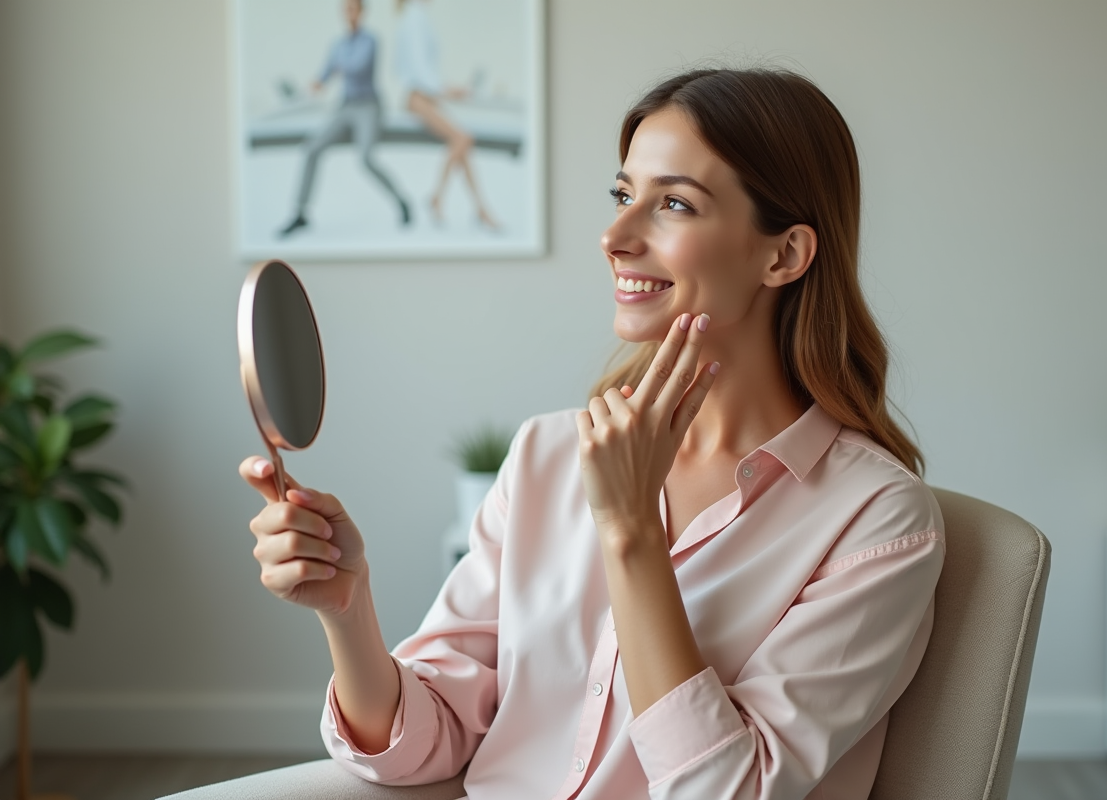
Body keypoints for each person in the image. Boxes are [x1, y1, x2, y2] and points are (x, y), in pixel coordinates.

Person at [241, 68, 945, 799]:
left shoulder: (877, 520)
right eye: (622, 195)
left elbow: (727, 791)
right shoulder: (547, 456)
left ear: (784, 255)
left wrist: (632, 530)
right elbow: (426, 743)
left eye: (673, 203)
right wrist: (348, 612)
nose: (614, 236)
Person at [279, 0, 412, 237]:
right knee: (311, 149)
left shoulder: (370, 40)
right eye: (346, 9)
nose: (349, 14)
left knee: (366, 158)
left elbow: (357, 66)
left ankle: (401, 201)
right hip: (345, 107)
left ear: (362, 12)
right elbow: (326, 72)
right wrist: (314, 83)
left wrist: (335, 68)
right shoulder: (337, 44)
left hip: (368, 107)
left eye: (353, 9)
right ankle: (300, 213)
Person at [392, 0, 498, 229]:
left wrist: (447, 90)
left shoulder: (415, 17)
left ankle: (480, 208)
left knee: (462, 147)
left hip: (425, 95)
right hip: (418, 97)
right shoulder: (415, 17)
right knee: (463, 138)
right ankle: (437, 197)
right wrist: (448, 90)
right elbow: (421, 70)